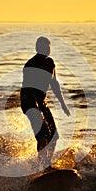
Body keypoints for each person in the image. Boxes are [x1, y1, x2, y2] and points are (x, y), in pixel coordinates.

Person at [20, 36, 70, 168]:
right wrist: (34, 107)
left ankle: (46, 163)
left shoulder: (50, 63)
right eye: (43, 47)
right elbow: (27, 88)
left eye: (48, 47)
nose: (47, 49)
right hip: (29, 102)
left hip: (41, 102)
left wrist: (63, 104)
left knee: (54, 136)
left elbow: (54, 84)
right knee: (43, 136)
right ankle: (42, 165)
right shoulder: (30, 64)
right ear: (37, 48)